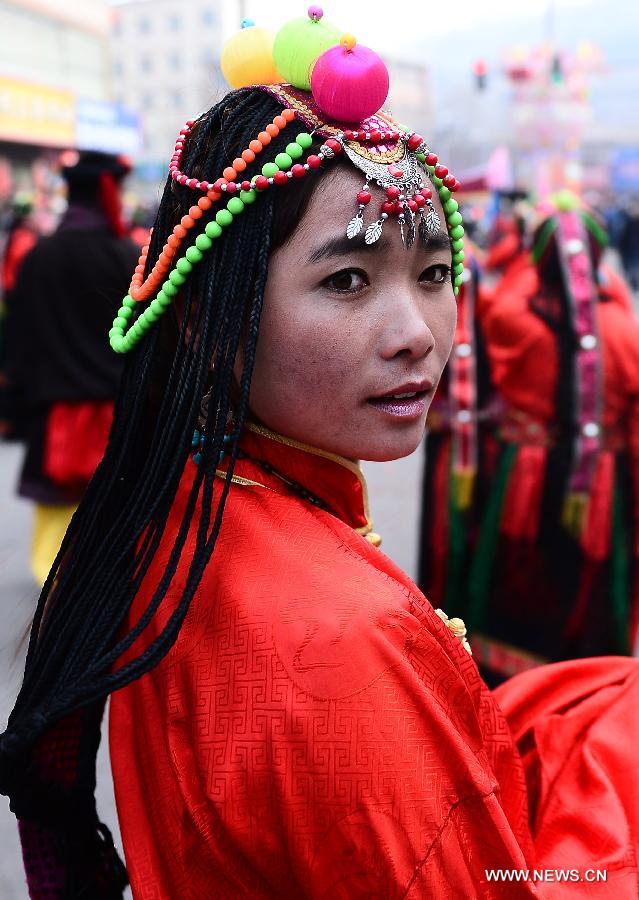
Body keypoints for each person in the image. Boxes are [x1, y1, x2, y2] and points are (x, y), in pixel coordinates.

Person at [1, 14, 638, 899]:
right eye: (346, 279)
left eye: (431, 274)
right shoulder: (340, 639)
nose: (417, 335)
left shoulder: (185, 510)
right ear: (206, 318)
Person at [420, 192, 639, 682]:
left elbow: (487, 299)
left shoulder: (513, 318)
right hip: (598, 490)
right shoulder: (626, 330)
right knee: (586, 586)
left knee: (515, 577)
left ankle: (505, 682)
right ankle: (583, 687)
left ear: (537, 258)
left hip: (522, 477)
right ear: (599, 260)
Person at [3, 151, 139, 584]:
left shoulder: (39, 256)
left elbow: (20, 336)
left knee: (54, 542)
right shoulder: (125, 256)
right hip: (115, 411)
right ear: (108, 193)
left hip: (53, 411)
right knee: (117, 522)